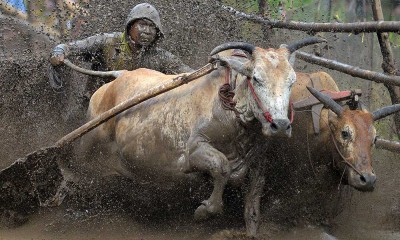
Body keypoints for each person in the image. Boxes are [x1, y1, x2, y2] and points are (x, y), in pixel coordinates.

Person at [49, 3, 193, 94]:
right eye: (142, 24)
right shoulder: (107, 41)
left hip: (135, 111)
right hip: (95, 106)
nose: (147, 31)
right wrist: (58, 52)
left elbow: (191, 73)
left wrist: (214, 67)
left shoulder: (160, 57)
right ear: (130, 26)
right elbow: (68, 47)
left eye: (152, 27)